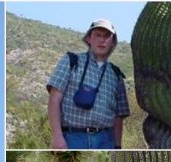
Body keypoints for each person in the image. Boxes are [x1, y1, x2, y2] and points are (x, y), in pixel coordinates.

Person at [46, 19, 130, 149]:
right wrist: (57, 137)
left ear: (112, 42)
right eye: (98, 35)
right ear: (89, 38)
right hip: (72, 138)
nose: (102, 40)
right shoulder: (71, 61)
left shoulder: (116, 74)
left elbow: (118, 116)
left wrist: (117, 146)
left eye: (107, 36)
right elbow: (54, 99)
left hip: (105, 140)